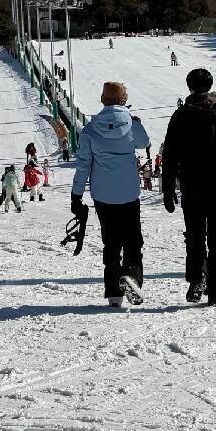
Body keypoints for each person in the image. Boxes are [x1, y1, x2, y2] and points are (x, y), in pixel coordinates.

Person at [160, 68, 216, 307]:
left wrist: (168, 188)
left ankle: (197, 277)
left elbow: (169, 153)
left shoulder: (181, 115)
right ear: (210, 86)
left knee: (195, 234)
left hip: (193, 185)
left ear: (189, 87)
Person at [71, 80, 151, 307]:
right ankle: (132, 277)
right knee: (133, 241)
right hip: (128, 192)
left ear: (103, 100)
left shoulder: (90, 128)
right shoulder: (131, 124)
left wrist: (76, 195)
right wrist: (137, 123)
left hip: (102, 195)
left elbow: (83, 165)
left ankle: (114, 293)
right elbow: (145, 142)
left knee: (111, 242)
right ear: (124, 100)